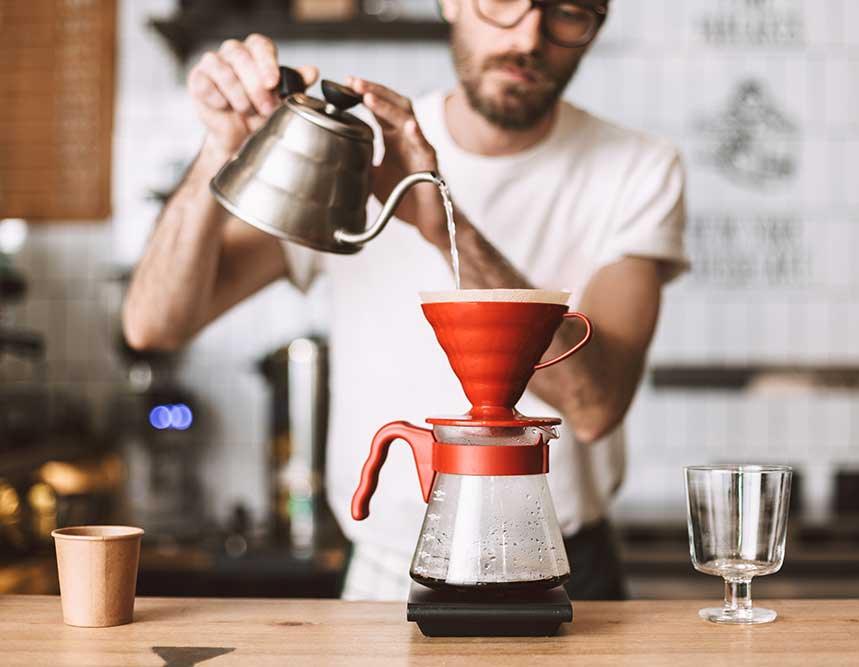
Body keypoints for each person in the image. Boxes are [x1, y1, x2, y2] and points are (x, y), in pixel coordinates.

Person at [123, 0, 688, 601]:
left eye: (568, 12)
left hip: (565, 565)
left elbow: (594, 406)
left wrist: (436, 215)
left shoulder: (638, 167)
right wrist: (220, 148)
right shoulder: (363, 153)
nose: (529, 36)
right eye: (503, 2)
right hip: (388, 572)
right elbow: (152, 323)